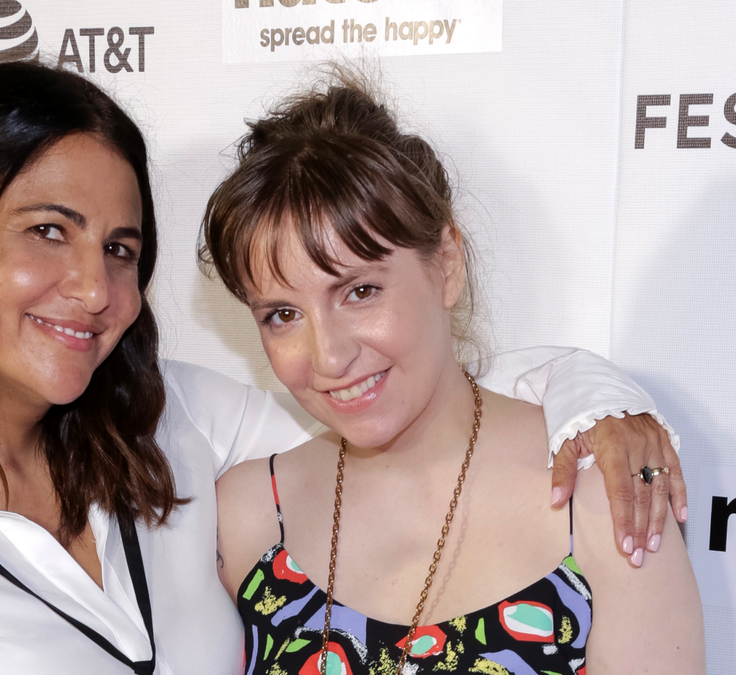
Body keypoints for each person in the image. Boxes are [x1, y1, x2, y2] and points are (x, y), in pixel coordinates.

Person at [0, 62, 685, 674]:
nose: (94, 286)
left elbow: (414, 407)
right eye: (48, 231)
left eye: (118, 247)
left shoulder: (178, 433)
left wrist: (596, 400)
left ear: (448, 261)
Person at [205, 74, 705, 674]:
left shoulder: (604, 494)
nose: (329, 357)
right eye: (283, 315)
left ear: (445, 265)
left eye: (360, 291)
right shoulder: (250, 514)